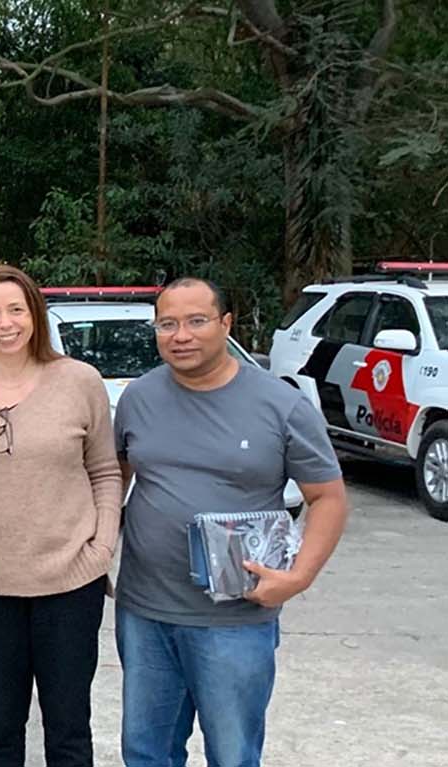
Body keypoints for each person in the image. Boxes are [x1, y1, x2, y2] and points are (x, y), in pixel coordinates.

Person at [114, 277, 349, 767]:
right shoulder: (138, 397)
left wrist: (299, 577)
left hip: (236, 620)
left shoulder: (280, 404)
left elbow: (327, 497)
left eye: (196, 321)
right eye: (167, 324)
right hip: (146, 613)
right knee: (145, 754)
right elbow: (113, 480)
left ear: (226, 324)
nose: (181, 335)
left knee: (233, 755)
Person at [0, 264, 121, 767]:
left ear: (35, 313)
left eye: (16, 309)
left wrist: (101, 548)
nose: (5, 322)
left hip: (70, 583)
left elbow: (105, 471)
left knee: (69, 729)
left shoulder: (79, 381)